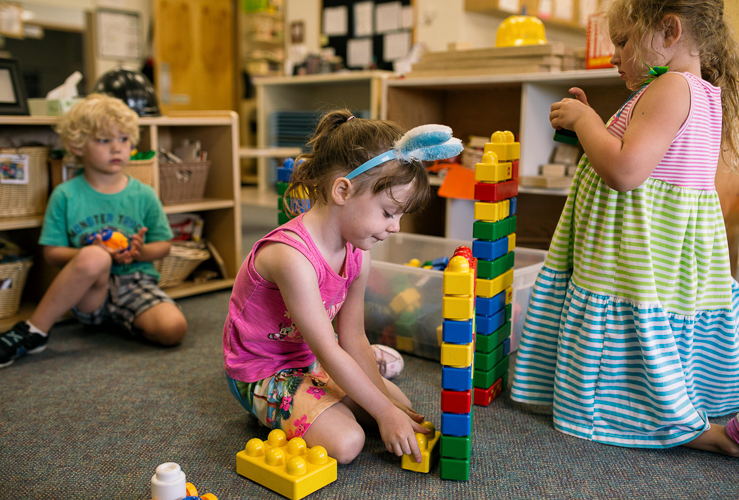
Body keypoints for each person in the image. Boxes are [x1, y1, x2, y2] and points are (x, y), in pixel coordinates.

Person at [511, 0, 739, 457]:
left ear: (669, 31)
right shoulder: (693, 90)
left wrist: (585, 124)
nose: (615, 55)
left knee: (632, 346)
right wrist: (594, 125)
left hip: (632, 254)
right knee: (658, 336)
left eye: (621, 41)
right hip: (659, 248)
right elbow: (637, 154)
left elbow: (624, 171)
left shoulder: (671, 88)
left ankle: (701, 434)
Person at [224, 110, 461, 464]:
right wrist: (382, 413)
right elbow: (332, 352)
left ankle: (318, 403)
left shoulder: (358, 254)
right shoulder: (292, 258)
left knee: (401, 405)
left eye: (399, 216)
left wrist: (388, 408)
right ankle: (268, 406)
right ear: (342, 190)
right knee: (349, 441)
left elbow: (352, 339)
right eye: (387, 212)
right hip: (261, 371)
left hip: (311, 360)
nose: (395, 227)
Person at [0, 94, 187, 368]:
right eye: (104, 140)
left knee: (174, 329)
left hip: (134, 284)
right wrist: (93, 253)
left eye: (123, 139)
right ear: (77, 145)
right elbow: (52, 253)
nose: (117, 148)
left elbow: (164, 245)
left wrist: (139, 252)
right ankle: (34, 331)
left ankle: (122, 319)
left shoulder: (144, 194)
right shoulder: (65, 194)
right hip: (89, 290)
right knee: (96, 257)